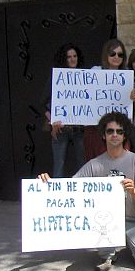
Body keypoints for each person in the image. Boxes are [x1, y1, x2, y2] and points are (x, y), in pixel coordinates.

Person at [38, 112, 135, 271]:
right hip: (104, 221)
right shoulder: (94, 164)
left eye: (119, 131)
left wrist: (133, 191)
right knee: (105, 257)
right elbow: (70, 188)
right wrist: (47, 182)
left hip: (133, 219)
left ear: (124, 135)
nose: (114, 135)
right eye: (110, 131)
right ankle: (109, 253)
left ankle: (134, 241)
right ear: (103, 135)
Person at [84, 38, 129, 161]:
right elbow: (82, 96)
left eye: (120, 54)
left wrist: (131, 97)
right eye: (112, 54)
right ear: (106, 55)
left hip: (118, 129)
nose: (116, 57)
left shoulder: (127, 75)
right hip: (96, 129)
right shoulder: (95, 71)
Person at [45, 43, 85, 177]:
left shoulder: (85, 77)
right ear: (64, 59)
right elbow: (45, 103)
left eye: (75, 56)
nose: (73, 59)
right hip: (61, 128)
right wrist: (52, 120)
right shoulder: (56, 77)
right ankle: (58, 196)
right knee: (59, 165)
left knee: (83, 165)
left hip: (79, 129)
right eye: (69, 57)